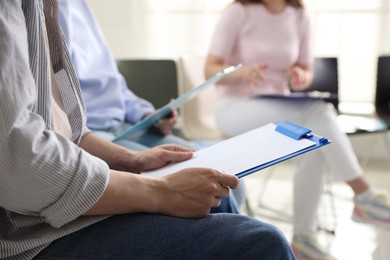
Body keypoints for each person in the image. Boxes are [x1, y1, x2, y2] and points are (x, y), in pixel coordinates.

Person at [0, 1, 296, 259]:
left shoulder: (54, 9)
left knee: (217, 193)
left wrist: (133, 160)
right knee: (262, 243)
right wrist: (159, 191)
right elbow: (21, 161)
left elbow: (66, 129)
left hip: (65, 185)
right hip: (26, 236)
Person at [205, 0, 390, 259]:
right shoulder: (239, 11)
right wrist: (243, 73)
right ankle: (364, 194)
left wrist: (301, 76)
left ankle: (303, 239)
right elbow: (209, 69)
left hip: (278, 105)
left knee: (313, 141)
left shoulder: (300, 16)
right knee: (319, 112)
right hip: (236, 107)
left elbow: (306, 68)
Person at [56, 0, 247, 209]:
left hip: (124, 125)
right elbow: (60, 97)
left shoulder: (81, 7)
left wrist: (145, 114)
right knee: (210, 186)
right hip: (90, 133)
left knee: (232, 176)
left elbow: (115, 85)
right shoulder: (47, 12)